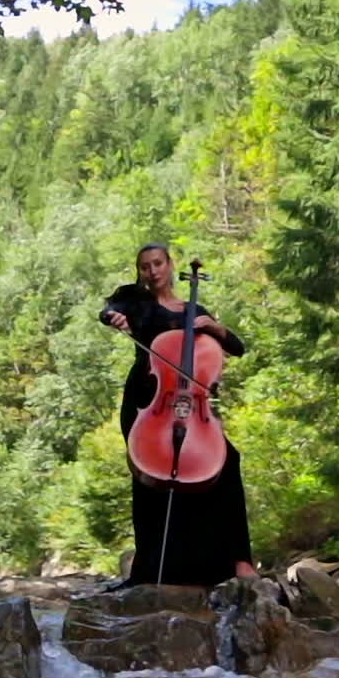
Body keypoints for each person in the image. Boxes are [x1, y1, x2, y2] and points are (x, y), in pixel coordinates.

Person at [100, 242, 257, 586]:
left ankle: (237, 562)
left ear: (170, 265)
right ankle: (147, 570)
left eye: (157, 263)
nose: (152, 271)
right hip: (148, 398)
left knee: (226, 462)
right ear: (140, 271)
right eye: (145, 266)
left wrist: (216, 329)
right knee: (149, 478)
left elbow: (236, 348)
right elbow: (110, 311)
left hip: (191, 402)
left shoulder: (194, 311)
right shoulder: (135, 301)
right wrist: (115, 317)